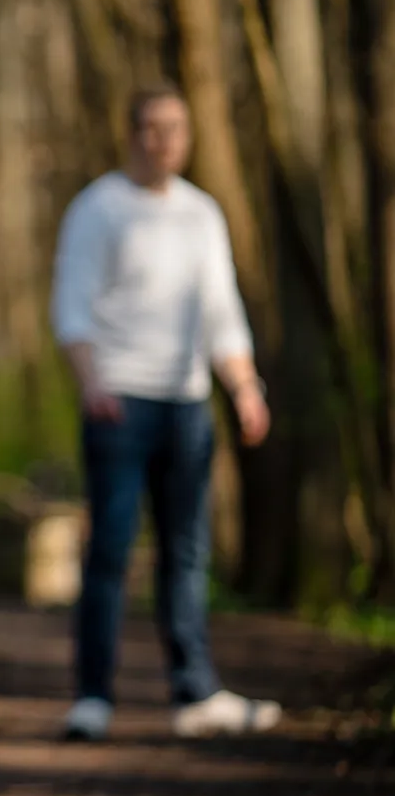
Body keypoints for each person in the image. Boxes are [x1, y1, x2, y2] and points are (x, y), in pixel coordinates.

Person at [49, 82, 281, 742]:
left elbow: (220, 308)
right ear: (132, 133)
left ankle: (195, 691)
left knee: (187, 550)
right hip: (119, 401)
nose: (165, 139)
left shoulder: (202, 213)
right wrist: (92, 381)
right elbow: (72, 303)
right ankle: (93, 696)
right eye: (152, 127)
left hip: (188, 405)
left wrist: (244, 386)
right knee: (112, 552)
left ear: (187, 135)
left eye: (176, 127)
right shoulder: (98, 209)